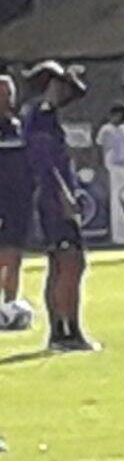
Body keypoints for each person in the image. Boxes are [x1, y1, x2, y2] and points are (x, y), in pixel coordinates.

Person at [22, 62, 93, 352]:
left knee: (59, 264)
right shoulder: (42, 116)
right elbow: (46, 162)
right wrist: (65, 196)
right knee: (70, 262)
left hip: (49, 197)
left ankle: (59, 331)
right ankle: (68, 331)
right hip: (53, 199)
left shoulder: (35, 114)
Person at [0, 77, 29, 324]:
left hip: (16, 199)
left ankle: (10, 302)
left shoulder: (20, 126)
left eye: (7, 94)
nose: (4, 99)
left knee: (14, 253)